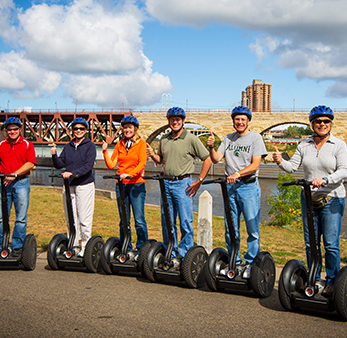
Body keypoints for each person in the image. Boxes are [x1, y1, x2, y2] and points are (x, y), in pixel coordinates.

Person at [273, 105, 347, 297]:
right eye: (318, 121)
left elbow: (343, 171)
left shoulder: (338, 145)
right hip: (308, 198)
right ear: (312, 124)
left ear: (330, 124)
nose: (322, 124)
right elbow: (292, 167)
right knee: (311, 243)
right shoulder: (304, 145)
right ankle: (314, 277)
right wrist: (280, 160)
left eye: (325, 121)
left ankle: (332, 281)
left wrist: (325, 180)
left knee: (330, 243)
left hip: (332, 197)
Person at [146, 107, 212, 264]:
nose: (175, 122)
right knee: (167, 221)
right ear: (168, 121)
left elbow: (207, 159)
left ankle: (185, 256)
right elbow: (161, 160)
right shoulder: (164, 139)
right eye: (172, 119)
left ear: (183, 121)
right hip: (165, 182)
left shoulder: (191, 139)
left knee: (185, 221)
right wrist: (152, 155)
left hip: (183, 183)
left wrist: (199, 180)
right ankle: (171, 251)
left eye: (178, 119)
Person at [207, 106, 267, 277]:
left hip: (248, 186)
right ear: (233, 121)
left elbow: (255, 165)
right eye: (237, 119)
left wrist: (238, 173)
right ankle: (235, 260)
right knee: (230, 228)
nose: (239, 122)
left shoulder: (256, 138)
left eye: (243, 119)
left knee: (252, 228)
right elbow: (216, 159)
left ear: (248, 121)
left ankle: (251, 263)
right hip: (230, 187)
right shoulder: (228, 138)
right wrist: (211, 147)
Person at [0, 117, 36, 257]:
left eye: (15, 129)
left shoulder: (27, 144)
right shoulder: (0, 145)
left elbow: (31, 163)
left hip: (20, 182)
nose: (12, 131)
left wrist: (14, 174)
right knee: (1, 217)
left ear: (19, 130)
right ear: (6, 131)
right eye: (9, 129)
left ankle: (17, 247)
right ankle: (0, 245)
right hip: (3, 183)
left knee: (20, 218)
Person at [51, 117, 96, 256]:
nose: (78, 131)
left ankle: (86, 248)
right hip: (69, 185)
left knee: (84, 218)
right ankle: (73, 245)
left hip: (84, 184)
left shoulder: (90, 146)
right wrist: (54, 155)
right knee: (71, 218)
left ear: (85, 130)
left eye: (81, 129)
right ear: (72, 130)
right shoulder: (68, 146)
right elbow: (60, 164)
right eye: (76, 129)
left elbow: (88, 166)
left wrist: (73, 173)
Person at [103, 115, 148, 251]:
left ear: (135, 129)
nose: (127, 130)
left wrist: (130, 174)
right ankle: (126, 247)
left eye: (130, 127)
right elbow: (112, 164)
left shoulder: (141, 143)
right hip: (121, 185)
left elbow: (142, 163)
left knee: (139, 220)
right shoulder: (120, 144)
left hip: (136, 184)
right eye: (125, 128)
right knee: (124, 220)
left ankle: (142, 248)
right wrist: (105, 151)